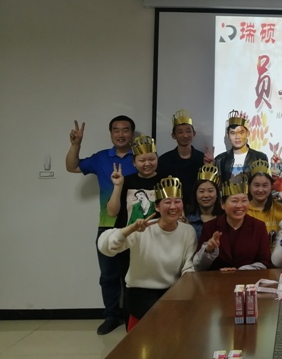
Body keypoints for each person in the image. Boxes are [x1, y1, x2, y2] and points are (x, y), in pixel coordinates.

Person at [65, 115, 137, 335]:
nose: (121, 134)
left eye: (125, 130)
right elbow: (71, 166)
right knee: (108, 275)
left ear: (132, 134)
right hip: (108, 225)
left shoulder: (141, 157)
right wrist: (76, 144)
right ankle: (111, 316)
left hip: (136, 226)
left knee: (134, 275)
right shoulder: (101, 158)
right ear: (111, 133)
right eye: (116, 130)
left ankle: (132, 317)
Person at [97, 176, 196, 331]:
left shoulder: (188, 231)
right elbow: (105, 247)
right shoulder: (142, 228)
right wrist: (130, 229)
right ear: (157, 207)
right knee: (160, 320)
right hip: (140, 291)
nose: (173, 206)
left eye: (177, 201)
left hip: (172, 290)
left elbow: (188, 266)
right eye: (167, 202)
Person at [194, 174, 271, 271]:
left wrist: (239, 271)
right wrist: (208, 250)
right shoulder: (210, 227)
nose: (239, 206)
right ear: (223, 204)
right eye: (234, 201)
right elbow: (198, 267)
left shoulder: (258, 226)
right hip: (217, 279)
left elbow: (265, 262)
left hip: (248, 278)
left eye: (244, 201)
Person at [157, 110, 212, 209]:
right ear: (173, 136)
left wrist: (210, 167)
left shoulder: (202, 159)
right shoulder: (164, 160)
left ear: (194, 133)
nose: (185, 135)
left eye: (188, 131)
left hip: (199, 209)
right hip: (173, 208)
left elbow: (210, 187)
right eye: (180, 132)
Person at [107, 135, 163, 228]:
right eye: (142, 160)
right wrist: (118, 186)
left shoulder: (165, 181)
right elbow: (111, 213)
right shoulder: (125, 181)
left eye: (152, 159)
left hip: (155, 234)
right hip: (127, 234)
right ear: (134, 163)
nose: (147, 163)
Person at [246, 159, 282, 250]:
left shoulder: (281, 209)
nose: (260, 190)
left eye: (265, 185)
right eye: (256, 185)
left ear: (271, 186)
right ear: (249, 187)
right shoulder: (243, 210)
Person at [214, 110, 268, 182]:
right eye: (233, 133)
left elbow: (265, 183)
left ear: (247, 133)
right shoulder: (220, 159)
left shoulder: (259, 158)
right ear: (228, 135)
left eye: (241, 132)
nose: (237, 137)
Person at [185, 165, 224, 240]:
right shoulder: (188, 218)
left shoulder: (225, 218)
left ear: (217, 194)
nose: (206, 195)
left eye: (210, 191)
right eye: (201, 191)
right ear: (195, 194)